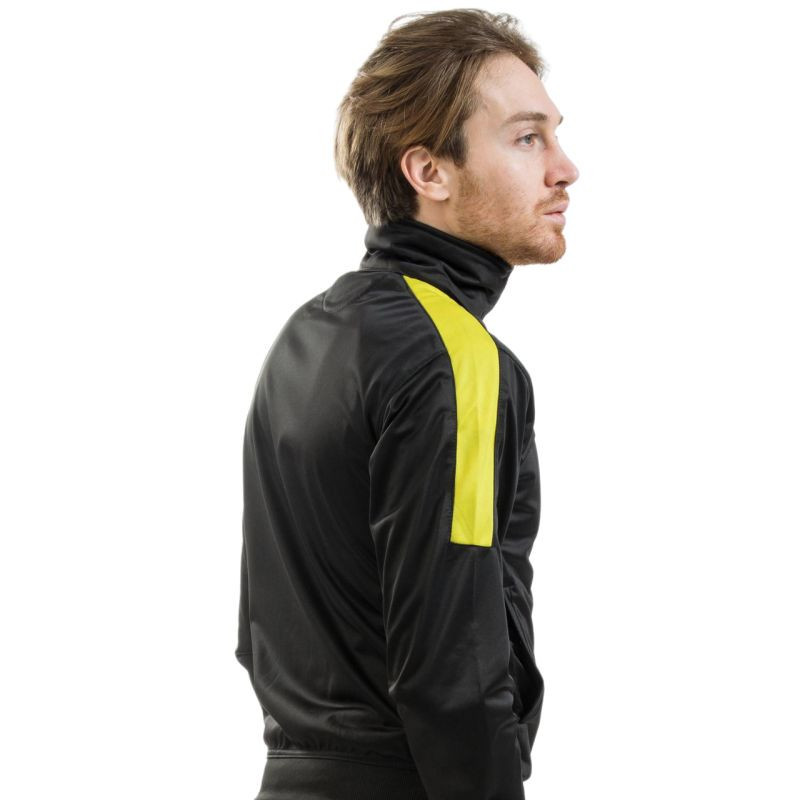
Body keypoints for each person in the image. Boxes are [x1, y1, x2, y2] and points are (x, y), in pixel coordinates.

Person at [235, 9, 579, 799]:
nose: (565, 169)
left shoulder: (306, 336)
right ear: (430, 171)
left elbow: (262, 627)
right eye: (528, 139)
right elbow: (455, 665)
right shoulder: (455, 359)